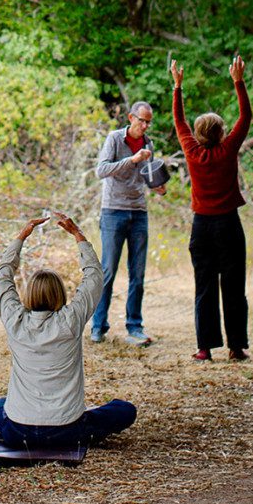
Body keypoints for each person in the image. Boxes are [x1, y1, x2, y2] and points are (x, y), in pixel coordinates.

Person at [0, 212, 137, 449]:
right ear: (60, 295)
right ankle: (83, 429)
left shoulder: (14, 319)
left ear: (28, 295)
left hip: (18, 432)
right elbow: (95, 278)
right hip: (66, 432)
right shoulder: (71, 319)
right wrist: (78, 235)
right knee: (125, 410)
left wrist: (21, 237)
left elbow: (2, 275)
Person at [170, 55, 253, 362]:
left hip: (201, 227)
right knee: (234, 286)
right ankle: (236, 347)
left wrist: (178, 87)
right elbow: (246, 118)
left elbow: (179, 122)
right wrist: (238, 81)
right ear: (220, 133)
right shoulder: (228, 149)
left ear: (199, 133)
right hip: (229, 225)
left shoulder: (192, 151)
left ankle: (205, 348)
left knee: (204, 286)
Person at [91, 101, 167, 346]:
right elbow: (101, 170)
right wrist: (132, 159)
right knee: (108, 270)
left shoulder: (148, 145)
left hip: (139, 213)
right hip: (113, 211)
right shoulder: (115, 139)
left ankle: (135, 326)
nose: (144, 126)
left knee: (138, 273)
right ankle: (98, 325)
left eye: (148, 122)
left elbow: (146, 177)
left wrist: (158, 186)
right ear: (131, 117)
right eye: (141, 120)